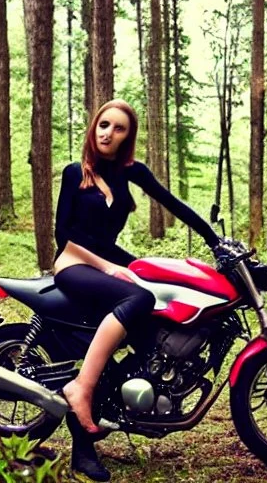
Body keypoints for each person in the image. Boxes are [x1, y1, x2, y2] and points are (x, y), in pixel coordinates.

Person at [53, 99, 219, 480]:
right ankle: (80, 389)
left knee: (149, 334)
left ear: (128, 137)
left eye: (119, 128)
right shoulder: (75, 172)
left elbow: (174, 204)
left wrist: (215, 241)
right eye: (103, 125)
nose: (108, 133)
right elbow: (64, 236)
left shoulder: (131, 172)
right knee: (139, 297)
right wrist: (113, 267)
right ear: (94, 127)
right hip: (73, 264)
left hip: (106, 261)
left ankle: (107, 423)